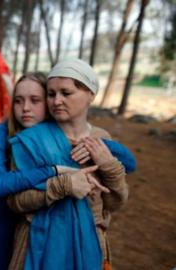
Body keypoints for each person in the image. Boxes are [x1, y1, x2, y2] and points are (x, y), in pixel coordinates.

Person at [0, 72, 135, 270]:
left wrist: (96, 145)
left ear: (48, 103)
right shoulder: (1, 133)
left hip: (39, 215)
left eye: (35, 100)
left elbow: (129, 162)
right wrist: (53, 170)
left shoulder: (58, 133)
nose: (25, 108)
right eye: (18, 101)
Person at [7, 58, 133, 269]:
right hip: (37, 244)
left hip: (90, 243)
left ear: (91, 95)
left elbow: (114, 204)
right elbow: (15, 202)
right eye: (51, 94)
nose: (56, 101)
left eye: (66, 93)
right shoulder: (31, 141)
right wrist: (62, 186)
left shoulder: (102, 138)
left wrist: (108, 164)